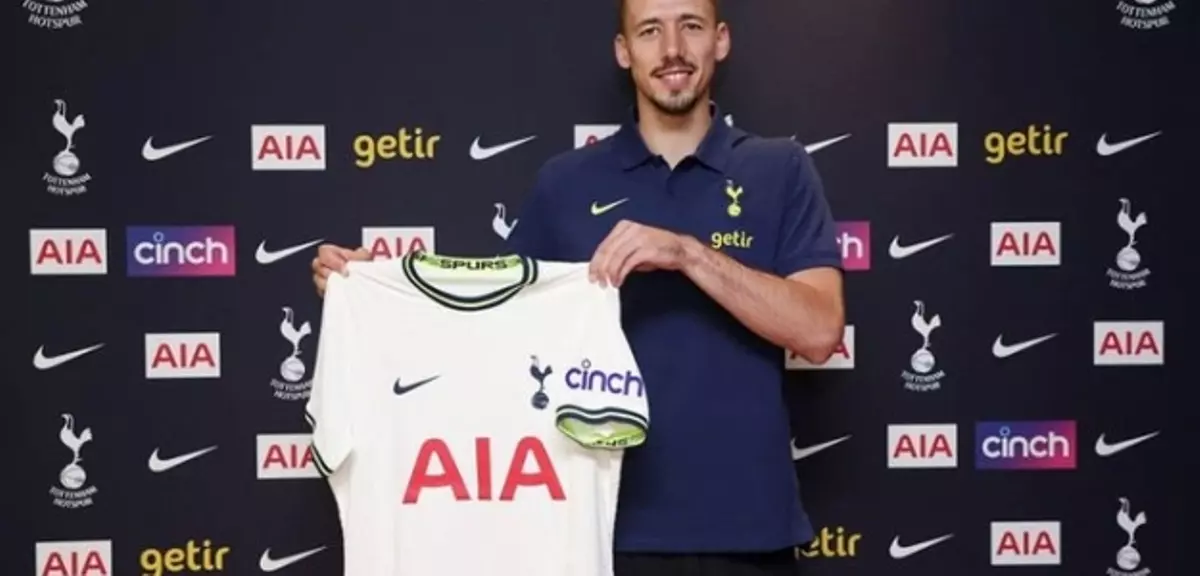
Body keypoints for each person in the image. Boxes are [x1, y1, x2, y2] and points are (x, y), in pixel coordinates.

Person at [312, 0, 845, 574]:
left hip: (748, 530)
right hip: (596, 532)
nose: (672, 49)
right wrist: (369, 292)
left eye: (690, 26)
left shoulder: (781, 169)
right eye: (649, 31)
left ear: (720, 40)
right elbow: (489, 335)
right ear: (624, 51)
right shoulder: (566, 182)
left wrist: (688, 253)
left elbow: (817, 331)